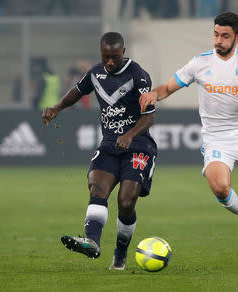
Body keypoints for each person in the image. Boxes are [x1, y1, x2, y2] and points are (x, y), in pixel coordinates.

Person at [140, 11, 238, 268]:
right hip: (217, 138)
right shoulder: (200, 63)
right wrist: (153, 94)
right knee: (219, 187)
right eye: (216, 34)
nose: (218, 40)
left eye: (225, 36)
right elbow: (168, 88)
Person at [42, 32, 157, 270]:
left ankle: (121, 253)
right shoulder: (96, 72)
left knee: (126, 202)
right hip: (109, 145)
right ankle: (92, 242)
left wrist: (129, 135)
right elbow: (78, 90)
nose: (110, 62)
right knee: (97, 188)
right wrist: (57, 107)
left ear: (123, 52)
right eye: (106, 57)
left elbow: (149, 117)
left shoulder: (138, 75)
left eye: (115, 57)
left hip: (138, 146)